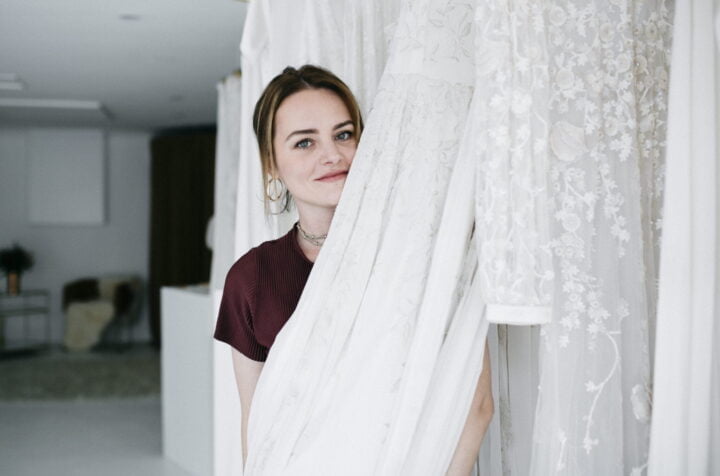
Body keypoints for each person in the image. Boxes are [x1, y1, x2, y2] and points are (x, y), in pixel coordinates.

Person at [214, 64, 493, 475]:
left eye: (344, 135)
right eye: (304, 142)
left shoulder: (415, 258)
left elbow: (475, 406)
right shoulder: (251, 277)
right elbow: (257, 427)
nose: (331, 155)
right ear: (271, 163)